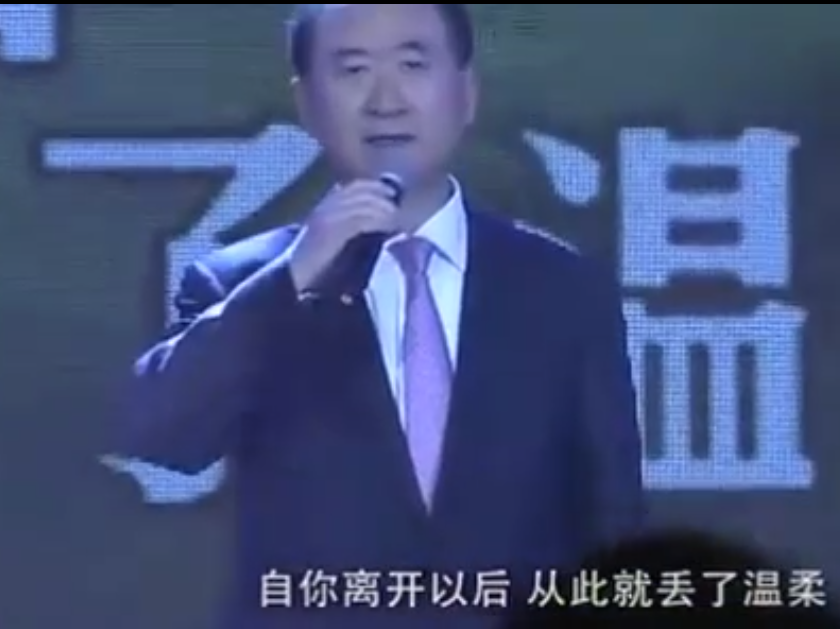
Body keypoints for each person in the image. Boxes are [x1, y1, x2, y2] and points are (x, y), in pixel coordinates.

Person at [121, 5, 644, 628]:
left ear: (466, 93)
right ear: (307, 104)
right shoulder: (241, 284)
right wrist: (297, 272)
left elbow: (614, 524)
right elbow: (164, 438)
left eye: (413, 65)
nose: (386, 100)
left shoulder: (562, 289)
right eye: (354, 70)